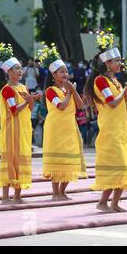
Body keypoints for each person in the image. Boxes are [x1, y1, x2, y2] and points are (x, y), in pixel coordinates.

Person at [83, 33, 127, 213]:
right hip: (110, 129)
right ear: (107, 63)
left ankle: (114, 203)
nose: (120, 64)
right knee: (116, 165)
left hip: (120, 127)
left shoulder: (115, 80)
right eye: (116, 61)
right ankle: (102, 202)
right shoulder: (101, 80)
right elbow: (112, 102)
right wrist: (126, 91)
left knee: (124, 165)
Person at [0, 48, 42, 204]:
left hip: (23, 129)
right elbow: (13, 110)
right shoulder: (7, 90)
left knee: (21, 159)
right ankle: (5, 197)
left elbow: (29, 108)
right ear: (9, 72)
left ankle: (18, 196)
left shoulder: (22, 87)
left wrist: (32, 99)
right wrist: (28, 100)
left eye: (21, 68)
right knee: (10, 159)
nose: (21, 71)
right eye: (17, 69)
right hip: (11, 130)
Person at [40, 49, 87, 201]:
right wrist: (69, 92)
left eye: (66, 72)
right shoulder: (50, 91)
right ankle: (55, 193)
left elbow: (80, 106)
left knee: (70, 159)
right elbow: (60, 106)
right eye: (61, 72)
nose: (65, 74)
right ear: (54, 75)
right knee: (57, 159)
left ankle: (62, 191)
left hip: (69, 126)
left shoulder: (69, 89)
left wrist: (73, 91)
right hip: (56, 128)